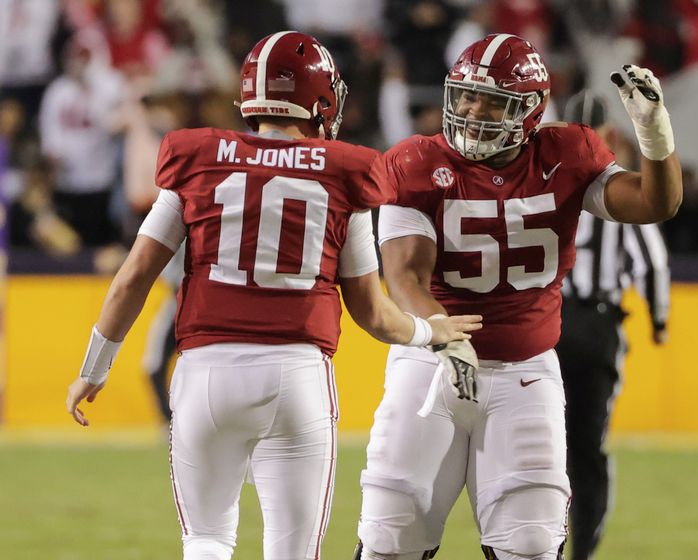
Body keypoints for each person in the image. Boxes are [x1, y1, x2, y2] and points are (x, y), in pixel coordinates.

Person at [65, 31, 482, 560]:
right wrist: (431, 332)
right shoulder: (344, 171)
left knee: (208, 541)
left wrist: (94, 368)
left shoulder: (195, 158)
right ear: (319, 99)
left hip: (206, 373)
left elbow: (133, 278)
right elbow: (373, 314)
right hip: (296, 376)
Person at [354, 33, 682, 560]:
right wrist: (443, 334)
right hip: (431, 362)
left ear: (529, 110)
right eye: (465, 94)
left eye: (491, 100)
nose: (471, 109)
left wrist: (653, 132)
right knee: (393, 532)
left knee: (529, 541)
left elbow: (653, 202)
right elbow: (406, 276)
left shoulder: (567, 153)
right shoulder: (414, 162)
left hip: (524, 369)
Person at [558, 90, 671, 560]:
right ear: (610, 135)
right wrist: (658, 320)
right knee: (587, 450)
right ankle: (581, 549)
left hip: (548, 327)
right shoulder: (623, 191)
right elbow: (653, 265)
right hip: (599, 326)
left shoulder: (547, 184)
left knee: (539, 444)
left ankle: (536, 545)